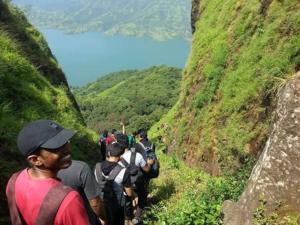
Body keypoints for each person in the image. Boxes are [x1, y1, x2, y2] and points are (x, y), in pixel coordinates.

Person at [6, 119, 90, 225]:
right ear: (35, 160)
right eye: (56, 147)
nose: (68, 149)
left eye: (66, 141)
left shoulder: (14, 181)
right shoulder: (69, 200)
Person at [115, 133, 154, 224]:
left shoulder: (117, 158)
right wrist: (150, 163)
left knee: (127, 199)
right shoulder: (137, 155)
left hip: (124, 185)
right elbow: (147, 169)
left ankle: (127, 218)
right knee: (143, 195)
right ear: (128, 143)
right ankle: (137, 217)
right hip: (137, 182)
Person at [94, 142, 134, 225]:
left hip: (100, 204)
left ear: (108, 153)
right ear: (121, 156)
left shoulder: (96, 167)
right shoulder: (123, 171)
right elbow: (129, 193)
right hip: (117, 206)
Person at [58, 160, 107, 225]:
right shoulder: (81, 168)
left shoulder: (43, 170)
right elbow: (95, 203)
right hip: (82, 218)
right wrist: (102, 217)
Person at [131, 129, 157, 224]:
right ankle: (144, 203)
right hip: (150, 168)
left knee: (138, 190)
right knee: (145, 185)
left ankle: (137, 212)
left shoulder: (136, 145)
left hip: (140, 171)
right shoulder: (152, 144)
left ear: (140, 136)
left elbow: (132, 156)